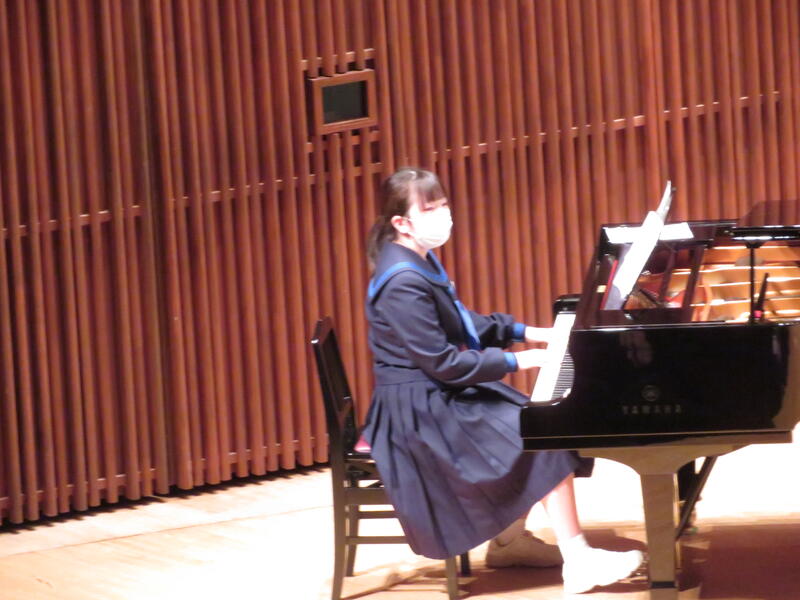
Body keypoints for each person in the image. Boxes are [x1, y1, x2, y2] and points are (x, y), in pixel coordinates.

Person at [362, 167, 643, 594]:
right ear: (402, 222)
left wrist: (526, 331)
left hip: (435, 392)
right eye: (430, 208)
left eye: (443, 204)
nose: (443, 214)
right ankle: (579, 560)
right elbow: (442, 362)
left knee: (541, 422)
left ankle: (509, 542)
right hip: (418, 411)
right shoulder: (401, 280)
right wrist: (520, 359)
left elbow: (459, 322)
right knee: (540, 436)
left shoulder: (416, 258)